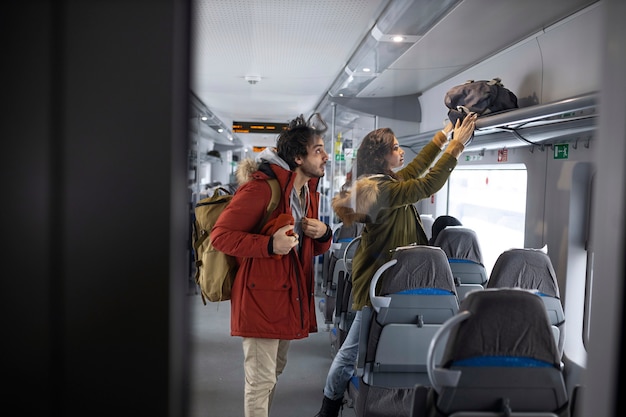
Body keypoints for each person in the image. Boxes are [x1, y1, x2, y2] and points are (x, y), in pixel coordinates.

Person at [313, 112, 478, 417]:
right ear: (382, 156)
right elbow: (425, 184)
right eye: (397, 148)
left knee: (361, 346)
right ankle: (329, 405)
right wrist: (455, 147)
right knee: (351, 351)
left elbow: (417, 168)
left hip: (395, 276)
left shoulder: (385, 180)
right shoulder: (378, 190)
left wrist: (442, 136)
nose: (402, 152)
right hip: (378, 279)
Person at [211, 113, 334, 417]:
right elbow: (220, 236)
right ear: (297, 157)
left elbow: (303, 251)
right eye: (318, 150)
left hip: (288, 296)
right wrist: (268, 245)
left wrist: (324, 235)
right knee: (261, 379)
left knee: (273, 373)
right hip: (260, 298)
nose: (326, 156)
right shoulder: (261, 189)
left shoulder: (307, 192)